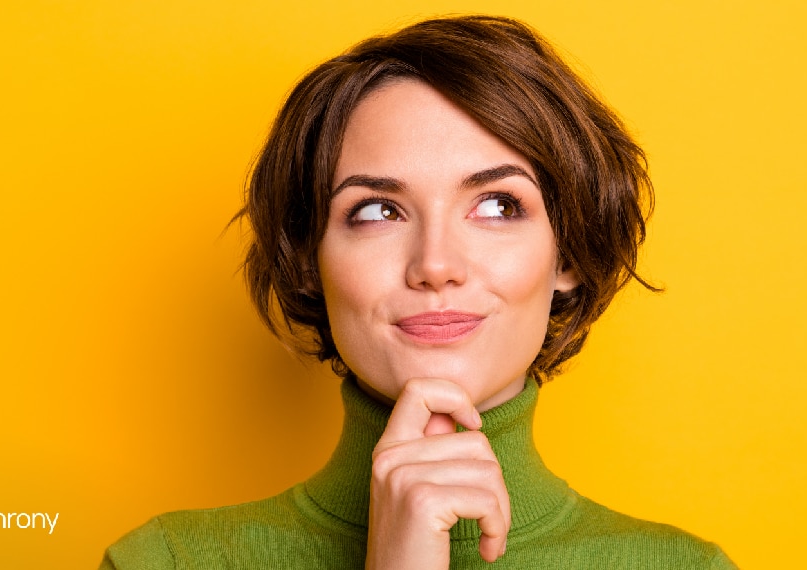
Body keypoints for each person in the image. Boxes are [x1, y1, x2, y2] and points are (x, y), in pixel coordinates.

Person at [100, 15, 737, 569]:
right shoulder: (166, 562)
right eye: (377, 211)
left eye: (496, 205)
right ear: (309, 260)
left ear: (567, 250)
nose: (435, 265)